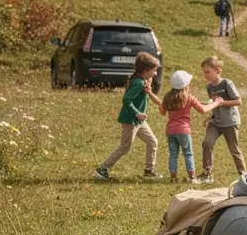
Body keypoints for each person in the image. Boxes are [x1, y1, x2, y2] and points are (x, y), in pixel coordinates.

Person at [94, 52, 162, 181]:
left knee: (152, 141)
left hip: (139, 121)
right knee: (125, 147)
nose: (155, 73)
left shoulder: (142, 81)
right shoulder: (138, 83)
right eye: (154, 70)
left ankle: (149, 170)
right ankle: (102, 169)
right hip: (131, 120)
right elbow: (126, 100)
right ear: (146, 70)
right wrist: (137, 113)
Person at [159, 70, 222, 184]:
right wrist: (216, 103)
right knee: (188, 153)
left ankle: (173, 178)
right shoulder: (189, 98)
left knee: (173, 154)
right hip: (183, 130)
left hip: (170, 130)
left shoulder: (167, 97)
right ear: (186, 85)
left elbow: (162, 112)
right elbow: (203, 110)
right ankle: (192, 178)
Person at [199, 55, 245, 183]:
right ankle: (207, 173)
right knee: (207, 143)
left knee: (234, 149)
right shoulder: (209, 87)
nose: (206, 75)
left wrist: (222, 102)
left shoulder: (227, 83)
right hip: (216, 122)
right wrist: (209, 116)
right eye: (204, 72)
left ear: (218, 71)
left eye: (208, 72)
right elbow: (213, 103)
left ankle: (243, 175)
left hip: (230, 122)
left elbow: (238, 101)